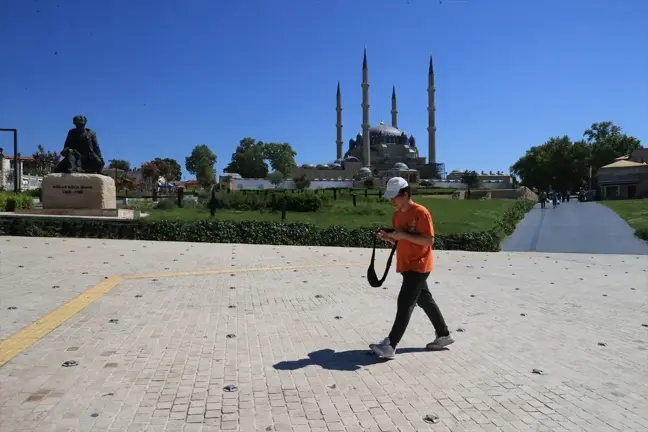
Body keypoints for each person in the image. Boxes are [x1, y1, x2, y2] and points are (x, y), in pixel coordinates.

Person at [369, 176, 454, 360]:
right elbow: (401, 239)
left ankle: (390, 345)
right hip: (406, 264)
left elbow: (429, 240)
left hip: (420, 265)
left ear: (406, 194)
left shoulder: (421, 213)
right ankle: (443, 334)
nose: (392, 201)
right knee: (424, 299)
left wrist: (403, 235)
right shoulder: (397, 214)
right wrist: (389, 238)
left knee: (405, 302)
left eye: (395, 197)